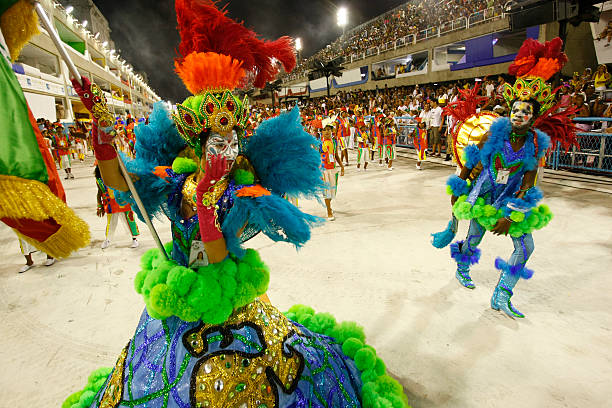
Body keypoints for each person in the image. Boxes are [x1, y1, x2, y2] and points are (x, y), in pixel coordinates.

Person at [64, 2, 405, 407]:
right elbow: (122, 181)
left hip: (229, 299)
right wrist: (101, 129)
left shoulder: (241, 194)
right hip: (178, 293)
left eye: (231, 143)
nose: (225, 152)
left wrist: (209, 204)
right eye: (216, 143)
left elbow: (218, 254)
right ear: (198, 143)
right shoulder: (174, 180)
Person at [436, 37, 576, 319]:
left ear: (534, 117)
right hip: (485, 194)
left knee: (526, 246)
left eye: (526, 111)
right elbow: (472, 159)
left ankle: (502, 293)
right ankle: (462, 266)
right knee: (474, 238)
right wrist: (460, 187)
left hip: (510, 199)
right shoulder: (494, 133)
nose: (519, 114)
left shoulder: (535, 144)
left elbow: (528, 183)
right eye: (516, 110)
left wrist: (511, 217)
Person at [95, 166, 139, 249]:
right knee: (110, 223)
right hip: (110, 204)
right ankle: (108, 239)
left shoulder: (119, 175)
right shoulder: (99, 180)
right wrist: (99, 206)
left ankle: (134, 239)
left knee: (129, 220)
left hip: (123, 202)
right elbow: (99, 193)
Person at [321, 120, 344, 219]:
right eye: (324, 130)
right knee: (326, 192)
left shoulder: (334, 142)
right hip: (324, 171)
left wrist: (342, 166)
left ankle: (329, 206)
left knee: (332, 192)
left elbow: (336, 155)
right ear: (321, 132)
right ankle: (329, 211)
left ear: (332, 131)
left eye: (329, 130)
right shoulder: (318, 143)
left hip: (333, 170)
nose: (327, 132)